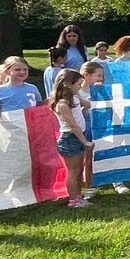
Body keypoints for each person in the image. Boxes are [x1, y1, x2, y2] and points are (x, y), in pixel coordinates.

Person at [50, 69, 94, 209]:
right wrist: (85, 142)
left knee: (79, 169)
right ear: (68, 84)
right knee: (73, 171)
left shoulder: (75, 98)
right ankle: (73, 200)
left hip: (78, 137)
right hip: (70, 138)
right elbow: (73, 125)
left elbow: (87, 104)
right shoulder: (62, 104)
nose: (80, 87)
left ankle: (78, 196)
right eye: (78, 84)